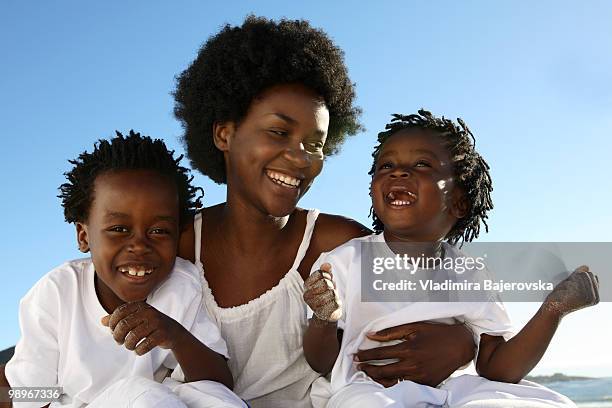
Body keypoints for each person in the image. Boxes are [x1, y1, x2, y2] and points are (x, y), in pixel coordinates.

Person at [173, 16, 478, 408]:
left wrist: (464, 342)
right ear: (224, 134)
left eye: (315, 144)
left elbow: (431, 301)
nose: (301, 159)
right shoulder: (179, 244)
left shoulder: (338, 241)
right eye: (279, 133)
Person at [302, 110, 600, 407]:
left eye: (422, 164)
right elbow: (321, 362)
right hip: (367, 389)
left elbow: (497, 368)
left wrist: (553, 309)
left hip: (452, 389)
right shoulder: (344, 261)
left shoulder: (470, 273)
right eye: (386, 165)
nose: (398, 172)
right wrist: (323, 319)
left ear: (459, 202)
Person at [4, 132, 247, 408]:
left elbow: (221, 384)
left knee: (212, 397)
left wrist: (174, 335)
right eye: (119, 229)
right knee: (144, 395)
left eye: (159, 231)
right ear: (84, 237)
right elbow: (28, 396)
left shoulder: (181, 283)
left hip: (165, 401)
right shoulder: (56, 293)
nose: (140, 246)